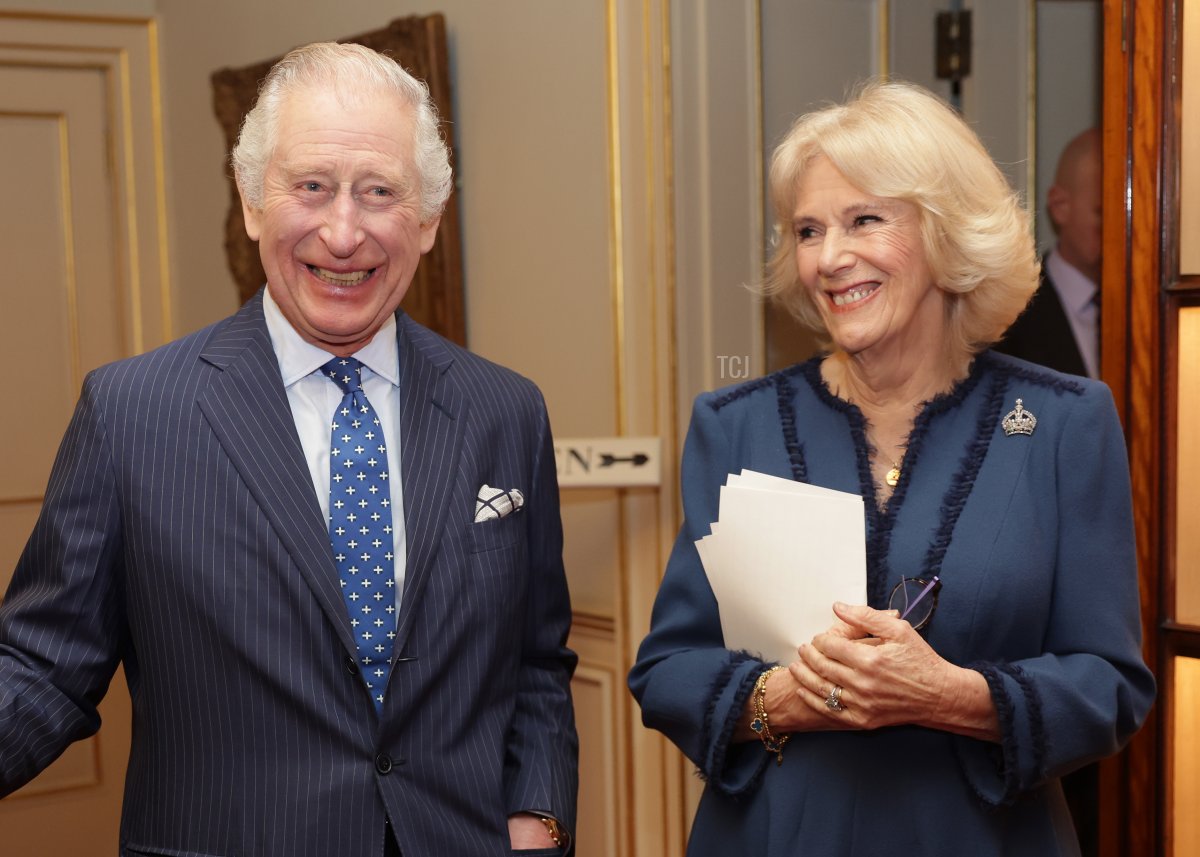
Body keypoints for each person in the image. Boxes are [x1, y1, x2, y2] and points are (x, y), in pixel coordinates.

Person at [0, 42, 577, 857]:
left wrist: (537, 820)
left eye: (379, 192)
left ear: (427, 221)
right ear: (251, 201)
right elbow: (44, 664)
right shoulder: (132, 412)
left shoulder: (504, 411)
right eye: (311, 186)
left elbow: (533, 662)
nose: (343, 233)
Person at [628, 82, 1153, 856]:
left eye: (864, 219)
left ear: (947, 233)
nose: (830, 258)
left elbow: (1111, 685)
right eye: (808, 230)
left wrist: (949, 696)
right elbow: (668, 668)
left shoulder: (1063, 423)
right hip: (779, 834)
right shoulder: (733, 424)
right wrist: (784, 696)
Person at [997, 128, 1102, 378]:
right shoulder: (1008, 317)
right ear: (1059, 207)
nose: (1124, 228)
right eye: (1103, 212)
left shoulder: (1154, 309)